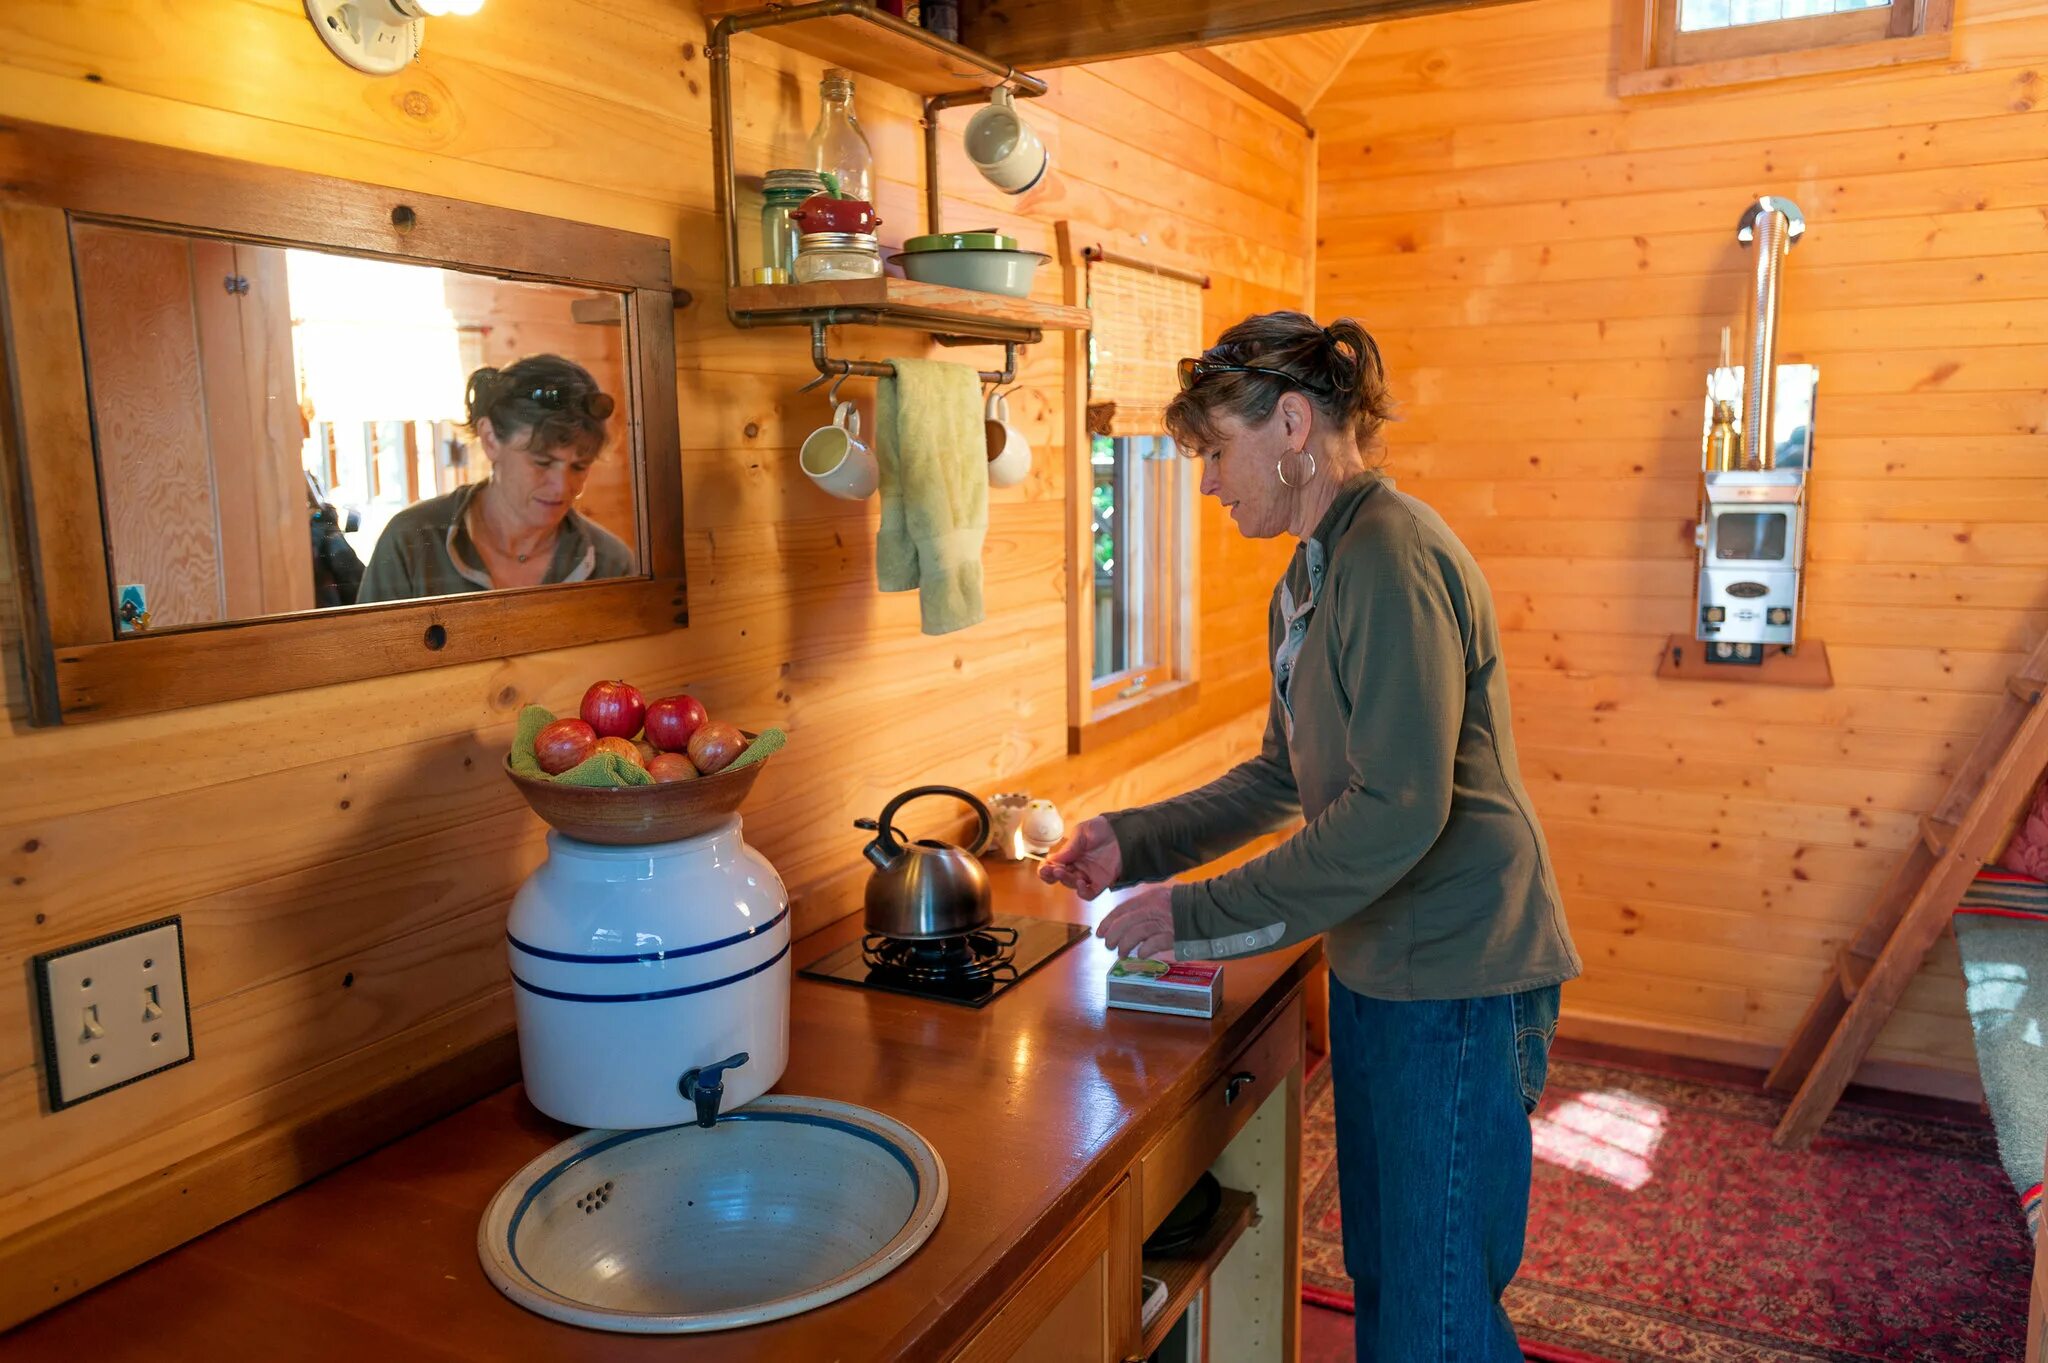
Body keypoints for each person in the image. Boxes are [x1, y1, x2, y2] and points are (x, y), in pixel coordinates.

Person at [1041, 311, 1581, 1361]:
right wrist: (1131, 842)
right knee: (1392, 1279)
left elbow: (1396, 810)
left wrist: (1193, 916)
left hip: (1460, 972)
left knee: (1432, 1316)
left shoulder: (1390, 553)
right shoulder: (1309, 575)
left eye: (1211, 451)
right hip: (1384, 961)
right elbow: (1280, 778)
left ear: (1291, 424)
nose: (1202, 483)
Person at [356, 354, 634, 603]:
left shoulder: (611, 562)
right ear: (490, 439)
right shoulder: (412, 542)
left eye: (579, 467)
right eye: (542, 462)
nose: (562, 487)